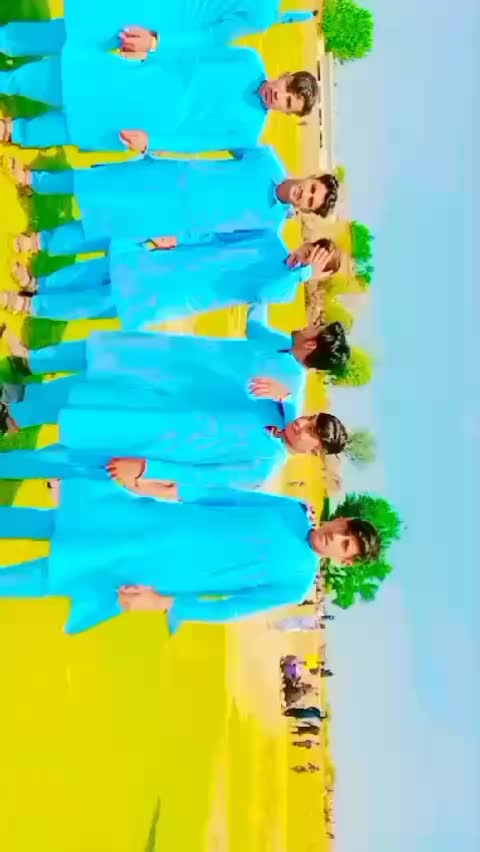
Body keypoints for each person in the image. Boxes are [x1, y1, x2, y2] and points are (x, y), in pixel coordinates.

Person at [0, 478, 380, 635]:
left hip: (157, 570)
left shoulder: (296, 583)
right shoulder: (291, 510)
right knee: (51, 521)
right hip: (152, 521)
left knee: (58, 575)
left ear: (344, 560)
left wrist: (163, 602)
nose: (336, 537)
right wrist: (148, 485)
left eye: (345, 545)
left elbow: (229, 608)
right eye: (344, 530)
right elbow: (222, 496)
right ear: (341, 519)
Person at [0, 379, 348, 492]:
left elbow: (199, 478)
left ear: (314, 451)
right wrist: (287, 396)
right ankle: (14, 412)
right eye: (309, 418)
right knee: (86, 400)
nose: (302, 424)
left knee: (63, 460)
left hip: (147, 452)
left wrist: (146, 469)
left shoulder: (263, 465)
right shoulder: (275, 409)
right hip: (151, 413)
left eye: (311, 431)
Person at [11, 149, 339, 257]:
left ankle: (39, 242)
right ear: (310, 177)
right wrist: (164, 147)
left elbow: (218, 243)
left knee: (105, 229)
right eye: (312, 189)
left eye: (311, 202)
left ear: (306, 210)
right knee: (99, 181)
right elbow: (211, 136)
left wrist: (178, 241)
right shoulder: (266, 158)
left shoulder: (270, 227)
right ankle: (34, 181)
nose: (306, 195)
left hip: (174, 221)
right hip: (168, 177)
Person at [0, 44, 318, 152]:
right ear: (285, 76)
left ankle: (14, 131)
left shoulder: (248, 132)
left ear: (287, 113)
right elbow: (198, 49)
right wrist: (152, 48)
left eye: (288, 103)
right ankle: (8, 81)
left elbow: (196, 142)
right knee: (74, 80)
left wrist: (151, 143)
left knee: (81, 128)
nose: (280, 96)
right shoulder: (248, 60)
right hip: (148, 77)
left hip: (150, 123)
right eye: (287, 88)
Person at [6, 231, 342, 328]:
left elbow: (264, 291)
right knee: (105, 268)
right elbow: (218, 236)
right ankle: (38, 284)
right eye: (308, 251)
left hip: (178, 295)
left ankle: (28, 306)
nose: (302, 258)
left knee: (102, 301)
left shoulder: (285, 289)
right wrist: (179, 239)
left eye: (311, 263)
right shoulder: (269, 239)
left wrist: (301, 273)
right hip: (176, 261)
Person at [0, 7, 316, 58]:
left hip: (155, 19)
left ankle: (8, 41)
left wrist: (156, 41)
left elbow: (211, 38)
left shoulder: (262, 13)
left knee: (78, 34)